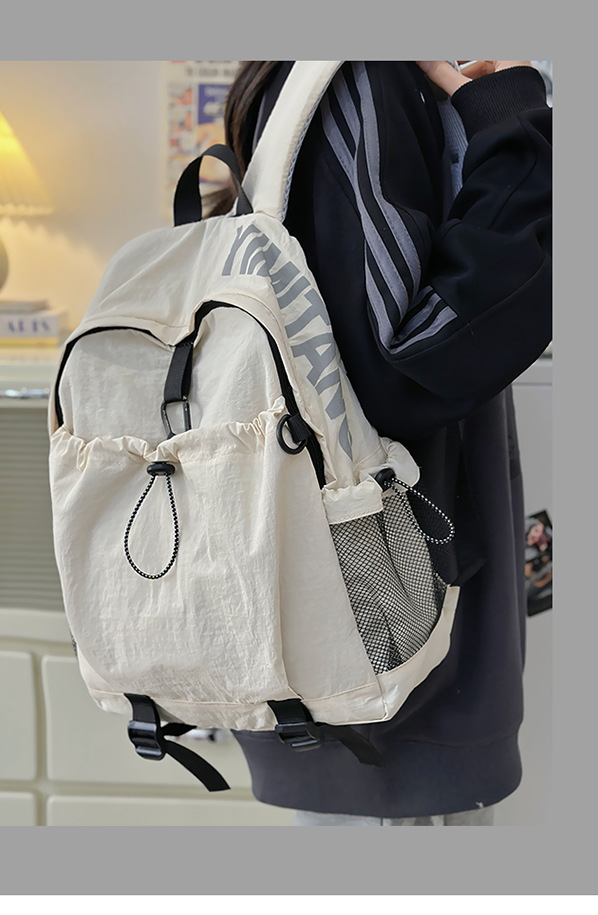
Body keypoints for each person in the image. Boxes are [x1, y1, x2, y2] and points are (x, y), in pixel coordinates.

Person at [213, 60, 552, 825]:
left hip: (379, 663)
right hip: (395, 680)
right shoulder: (362, 74)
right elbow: (406, 364)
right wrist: (515, 127)